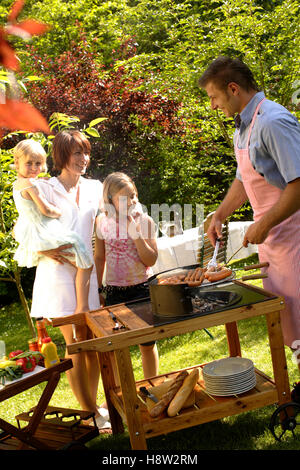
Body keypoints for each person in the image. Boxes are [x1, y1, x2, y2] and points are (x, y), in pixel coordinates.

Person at [198, 56, 300, 370]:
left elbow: (298, 184)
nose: (213, 105)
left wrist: (264, 224)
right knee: (289, 320)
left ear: (233, 89)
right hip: (274, 242)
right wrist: (220, 214)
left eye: (214, 97)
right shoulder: (243, 127)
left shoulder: (272, 121)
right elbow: (246, 179)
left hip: (294, 237)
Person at [14, 131, 109, 428]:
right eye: (76, 153)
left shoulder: (95, 187)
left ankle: (94, 405)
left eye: (86, 153)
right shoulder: (45, 186)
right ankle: (90, 411)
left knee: (91, 342)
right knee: (75, 343)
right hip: (57, 274)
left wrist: (102, 280)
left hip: (87, 272)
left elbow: (100, 234)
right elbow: (25, 230)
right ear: (61, 157)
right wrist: (46, 249)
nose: (83, 159)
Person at [13, 139, 93, 315]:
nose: (34, 168)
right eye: (29, 164)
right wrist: (56, 212)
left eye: (38, 164)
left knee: (82, 261)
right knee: (84, 259)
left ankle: (82, 306)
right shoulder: (39, 185)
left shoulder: (19, 185)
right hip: (52, 253)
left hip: (35, 232)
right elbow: (40, 213)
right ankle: (82, 307)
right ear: (17, 163)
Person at [95, 172, 159, 379]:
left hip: (142, 289)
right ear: (110, 201)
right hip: (114, 292)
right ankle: (123, 391)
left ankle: (152, 384)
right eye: (124, 198)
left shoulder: (145, 221)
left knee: (147, 344)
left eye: (133, 195)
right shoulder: (102, 222)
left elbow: (150, 260)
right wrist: (99, 290)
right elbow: (99, 258)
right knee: (116, 348)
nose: (131, 201)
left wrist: (136, 233)